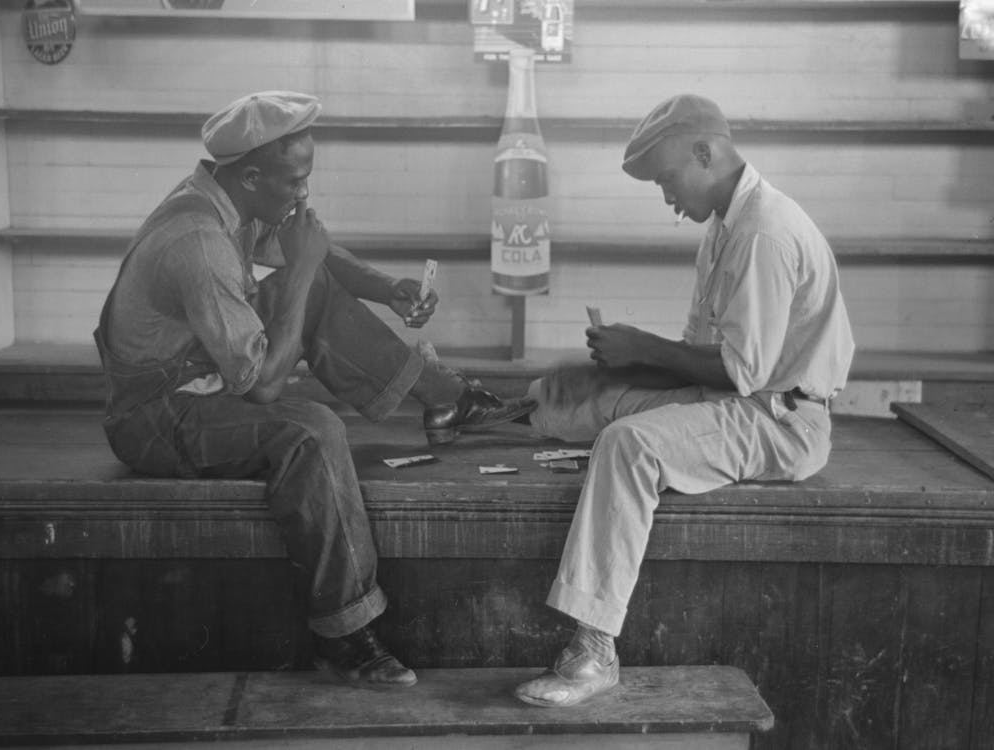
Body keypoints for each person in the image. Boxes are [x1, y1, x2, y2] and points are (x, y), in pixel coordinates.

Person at [93, 90, 535, 687]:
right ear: (250, 175)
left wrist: (385, 287)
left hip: (202, 378)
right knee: (313, 430)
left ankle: (446, 399)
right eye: (294, 180)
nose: (304, 192)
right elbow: (266, 387)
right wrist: (301, 272)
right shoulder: (198, 242)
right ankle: (344, 634)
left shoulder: (231, 199)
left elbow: (313, 251)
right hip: (155, 415)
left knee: (314, 291)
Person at [514, 94, 854, 707]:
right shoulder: (725, 227)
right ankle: (489, 408)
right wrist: (618, 369)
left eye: (669, 180)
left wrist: (643, 347)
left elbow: (738, 374)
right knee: (588, 401)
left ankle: (594, 650)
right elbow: (699, 360)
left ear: (707, 153)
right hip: (747, 397)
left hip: (782, 422)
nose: (668, 198)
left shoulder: (763, 232)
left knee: (628, 445)